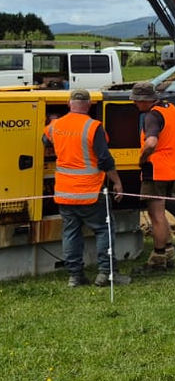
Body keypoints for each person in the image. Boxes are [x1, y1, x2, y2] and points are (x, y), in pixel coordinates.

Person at [43, 89, 131, 288]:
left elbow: (45, 141)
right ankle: (106, 274)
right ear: (90, 105)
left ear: (68, 103)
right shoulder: (93, 126)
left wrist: (52, 120)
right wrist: (117, 182)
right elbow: (105, 159)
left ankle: (75, 276)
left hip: (64, 193)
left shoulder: (55, 126)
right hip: (91, 191)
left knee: (70, 233)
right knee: (104, 230)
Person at [131, 81, 175, 271]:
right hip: (170, 169)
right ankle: (168, 251)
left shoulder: (151, 116)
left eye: (136, 101)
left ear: (145, 100)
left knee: (156, 215)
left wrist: (142, 159)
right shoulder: (171, 108)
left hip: (155, 169)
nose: (135, 105)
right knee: (161, 213)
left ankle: (158, 258)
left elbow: (151, 142)